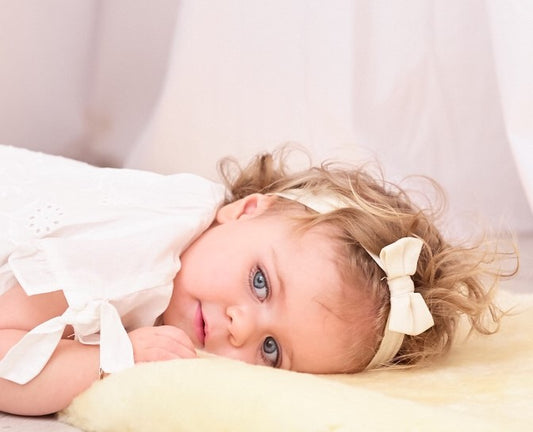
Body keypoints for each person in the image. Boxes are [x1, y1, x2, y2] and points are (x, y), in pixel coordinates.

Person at [0, 145, 513, 416]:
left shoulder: (195, 266)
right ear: (246, 209)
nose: (240, 328)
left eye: (271, 350)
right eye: (261, 282)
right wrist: (113, 359)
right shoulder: (135, 251)